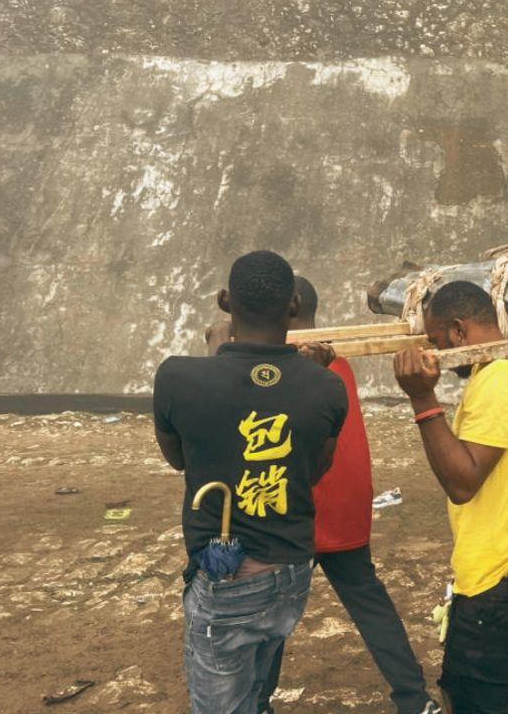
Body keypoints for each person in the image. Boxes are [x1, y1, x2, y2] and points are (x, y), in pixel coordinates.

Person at [154, 251, 348, 714]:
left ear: (224, 301)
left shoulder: (178, 377)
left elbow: (181, 459)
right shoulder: (326, 385)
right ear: (295, 306)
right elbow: (314, 469)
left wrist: (216, 355)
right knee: (257, 683)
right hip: (292, 573)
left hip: (228, 580)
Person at [251, 276, 440, 714]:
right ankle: (414, 699)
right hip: (348, 504)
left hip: (302, 507)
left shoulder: (287, 369)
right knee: (369, 604)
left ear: (289, 309)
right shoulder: (340, 362)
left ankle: (256, 700)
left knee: (273, 614)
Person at [392, 281, 508, 714]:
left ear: (457, 331)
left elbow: (462, 483)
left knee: (471, 698)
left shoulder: (498, 381)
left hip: (498, 581)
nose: (434, 352)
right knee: (482, 693)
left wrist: (422, 398)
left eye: (434, 341)